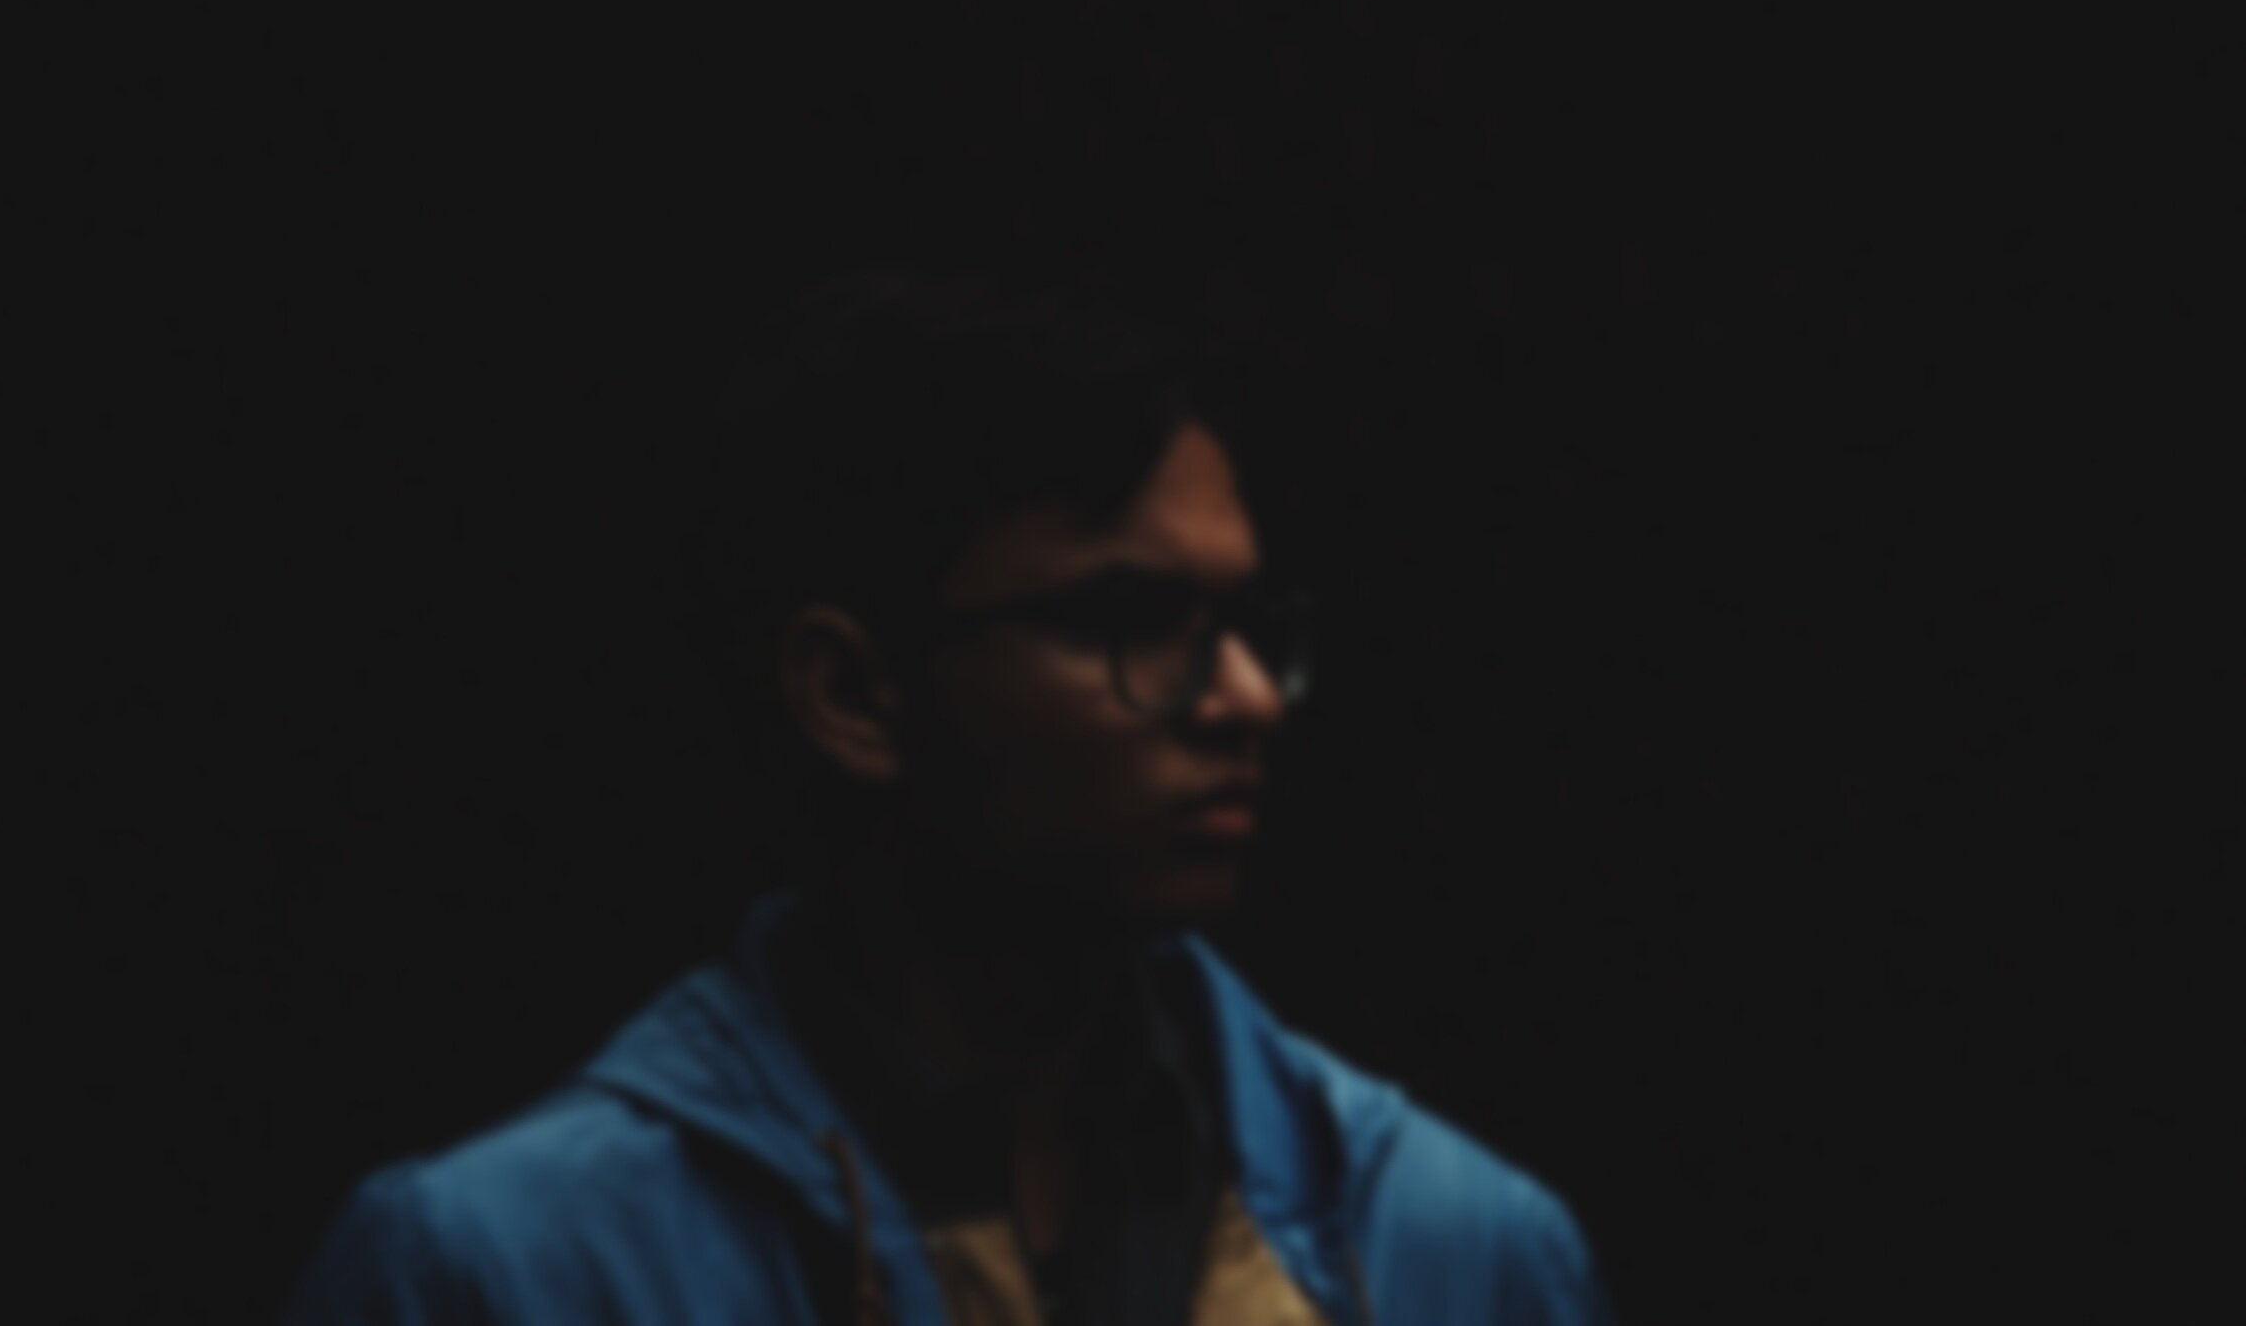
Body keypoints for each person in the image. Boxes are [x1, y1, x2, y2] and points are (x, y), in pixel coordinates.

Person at [279, 267, 1615, 1324]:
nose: (1250, 697)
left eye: (1245, 623)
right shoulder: (505, 1276)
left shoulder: (1457, 1254)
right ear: (856, 697)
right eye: (1131, 619)